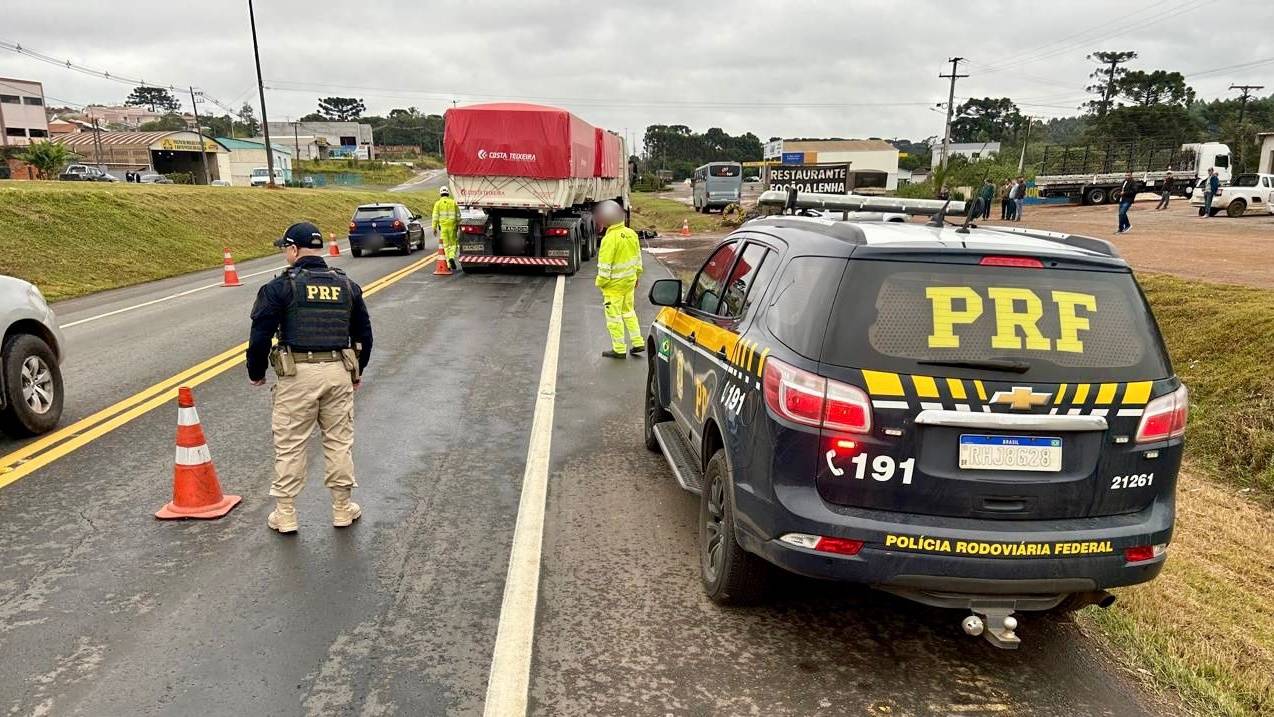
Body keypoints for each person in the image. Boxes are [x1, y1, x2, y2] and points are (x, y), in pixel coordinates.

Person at [247, 222, 373, 534]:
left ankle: (286, 514)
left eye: (285, 249)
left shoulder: (279, 287)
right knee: (339, 442)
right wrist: (358, 371)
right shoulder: (347, 285)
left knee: (290, 444)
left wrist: (256, 372)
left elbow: (260, 334)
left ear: (293, 249)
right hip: (338, 371)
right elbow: (364, 335)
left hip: (297, 373)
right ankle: (342, 509)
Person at [593, 199, 645, 359]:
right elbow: (638, 258)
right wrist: (636, 276)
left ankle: (619, 348)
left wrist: (600, 283)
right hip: (629, 282)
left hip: (613, 287)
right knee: (629, 312)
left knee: (614, 318)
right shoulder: (631, 234)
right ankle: (637, 342)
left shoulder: (609, 239)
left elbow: (605, 266)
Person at [432, 186, 461, 270]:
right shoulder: (453, 202)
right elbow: (458, 215)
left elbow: (435, 217)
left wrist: (434, 228)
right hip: (452, 227)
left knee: (446, 245)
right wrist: (458, 224)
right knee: (454, 244)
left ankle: (448, 263)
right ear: (448, 193)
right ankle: (452, 257)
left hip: (443, 228)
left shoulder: (438, 204)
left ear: (440, 194)